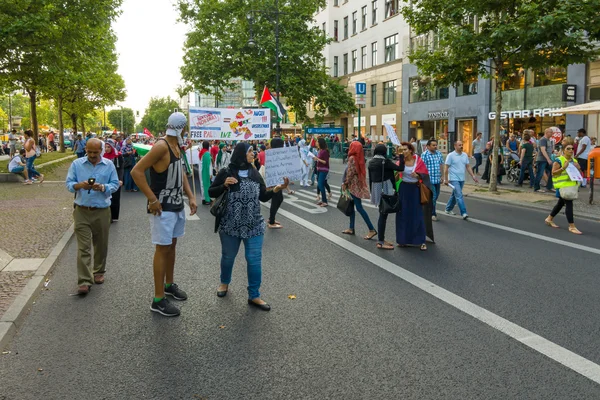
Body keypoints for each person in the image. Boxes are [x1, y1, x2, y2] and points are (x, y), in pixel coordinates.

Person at [209, 143, 290, 311]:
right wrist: (223, 185)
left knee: (254, 261)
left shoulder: (254, 172)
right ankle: (224, 282)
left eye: (253, 151)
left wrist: (277, 188)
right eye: (250, 151)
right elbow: (211, 192)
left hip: (254, 225)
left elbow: (263, 196)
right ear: (241, 154)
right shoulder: (226, 171)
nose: (253, 154)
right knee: (228, 257)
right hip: (230, 225)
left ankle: (254, 295)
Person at [131, 112, 197, 317]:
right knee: (162, 248)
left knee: (172, 245)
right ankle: (158, 299)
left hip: (176, 205)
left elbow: (181, 173)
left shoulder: (177, 146)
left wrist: (191, 196)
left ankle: (169, 284)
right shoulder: (161, 146)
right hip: (162, 207)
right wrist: (152, 199)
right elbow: (136, 171)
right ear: (181, 128)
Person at [66, 138, 120, 295]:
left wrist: (103, 187)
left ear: (101, 151)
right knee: (83, 247)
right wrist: (79, 185)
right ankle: (84, 280)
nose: (91, 155)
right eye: (89, 152)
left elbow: (115, 184)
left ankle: (98, 271)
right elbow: (69, 184)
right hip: (81, 210)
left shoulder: (109, 165)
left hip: (102, 210)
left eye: (95, 152)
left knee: (100, 244)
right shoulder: (77, 164)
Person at [368, 144, 405, 250]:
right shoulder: (385, 162)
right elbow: (400, 168)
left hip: (376, 190)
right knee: (383, 215)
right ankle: (380, 241)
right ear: (384, 152)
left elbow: (370, 178)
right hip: (386, 189)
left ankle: (382, 239)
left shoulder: (371, 162)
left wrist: (373, 192)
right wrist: (401, 156)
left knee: (382, 213)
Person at [396, 142, 430, 251]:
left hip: (415, 189)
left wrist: (418, 175)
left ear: (411, 150)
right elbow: (395, 175)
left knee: (418, 214)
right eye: (401, 150)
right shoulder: (400, 162)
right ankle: (403, 240)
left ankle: (421, 241)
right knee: (403, 214)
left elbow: (425, 174)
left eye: (405, 149)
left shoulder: (418, 160)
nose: (403, 152)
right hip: (404, 189)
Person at [545, 140, 583, 235]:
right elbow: (553, 173)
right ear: (563, 150)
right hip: (563, 187)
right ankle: (572, 226)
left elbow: (578, 173)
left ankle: (549, 218)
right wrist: (563, 168)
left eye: (572, 149)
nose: (571, 150)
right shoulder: (559, 160)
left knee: (560, 203)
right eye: (568, 149)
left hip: (571, 187)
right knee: (569, 204)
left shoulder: (574, 161)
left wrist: (578, 168)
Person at [342, 141, 377, 240]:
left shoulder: (352, 158)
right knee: (352, 206)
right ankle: (351, 227)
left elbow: (350, 173)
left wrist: (345, 183)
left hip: (353, 186)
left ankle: (371, 229)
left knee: (359, 207)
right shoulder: (359, 157)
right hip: (357, 185)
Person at [444, 141, 478, 219]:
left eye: (462, 145)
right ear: (455, 146)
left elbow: (468, 166)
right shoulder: (450, 155)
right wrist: (446, 179)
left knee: (454, 195)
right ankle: (464, 213)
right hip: (453, 179)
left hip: (461, 179)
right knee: (459, 195)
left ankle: (448, 209)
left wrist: (473, 175)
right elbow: (446, 168)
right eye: (459, 145)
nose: (461, 146)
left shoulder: (465, 155)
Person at [421, 139, 444, 221]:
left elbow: (441, 164)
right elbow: (422, 167)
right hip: (429, 180)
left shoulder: (439, 153)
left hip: (437, 178)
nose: (435, 146)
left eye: (436, 145)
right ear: (428, 146)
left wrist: (442, 176)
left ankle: (426, 209)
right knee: (433, 197)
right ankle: (432, 213)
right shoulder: (425, 154)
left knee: (436, 196)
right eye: (433, 145)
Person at [267, 136, 286, 227]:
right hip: (275, 180)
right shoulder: (273, 155)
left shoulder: (276, 154)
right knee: (276, 200)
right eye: (282, 145)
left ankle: (272, 219)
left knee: (279, 199)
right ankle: (271, 221)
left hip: (277, 179)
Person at [103, 139, 124, 221]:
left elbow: (121, 168)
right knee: (106, 197)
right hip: (105, 179)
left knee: (115, 198)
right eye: (105, 147)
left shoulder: (118, 155)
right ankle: (106, 216)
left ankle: (113, 216)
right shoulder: (102, 156)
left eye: (108, 147)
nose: (107, 149)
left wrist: (120, 179)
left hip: (115, 179)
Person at [534, 127, 555, 193]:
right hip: (542, 159)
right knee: (540, 173)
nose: (552, 133)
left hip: (547, 159)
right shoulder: (543, 140)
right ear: (546, 133)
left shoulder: (548, 140)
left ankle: (549, 187)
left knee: (552, 171)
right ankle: (536, 188)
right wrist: (548, 159)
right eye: (551, 132)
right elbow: (543, 150)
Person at [313, 137, 331, 207]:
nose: (316, 143)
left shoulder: (324, 151)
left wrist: (317, 158)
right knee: (320, 184)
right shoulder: (320, 150)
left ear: (320, 143)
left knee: (320, 184)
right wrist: (316, 159)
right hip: (319, 169)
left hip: (324, 170)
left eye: (317, 141)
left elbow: (325, 162)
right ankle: (322, 200)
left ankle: (325, 201)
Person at [200, 141, 212, 205]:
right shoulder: (207, 153)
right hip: (206, 171)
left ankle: (203, 199)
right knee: (206, 184)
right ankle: (207, 199)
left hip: (201, 170)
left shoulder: (201, 152)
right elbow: (209, 164)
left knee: (202, 184)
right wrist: (210, 173)